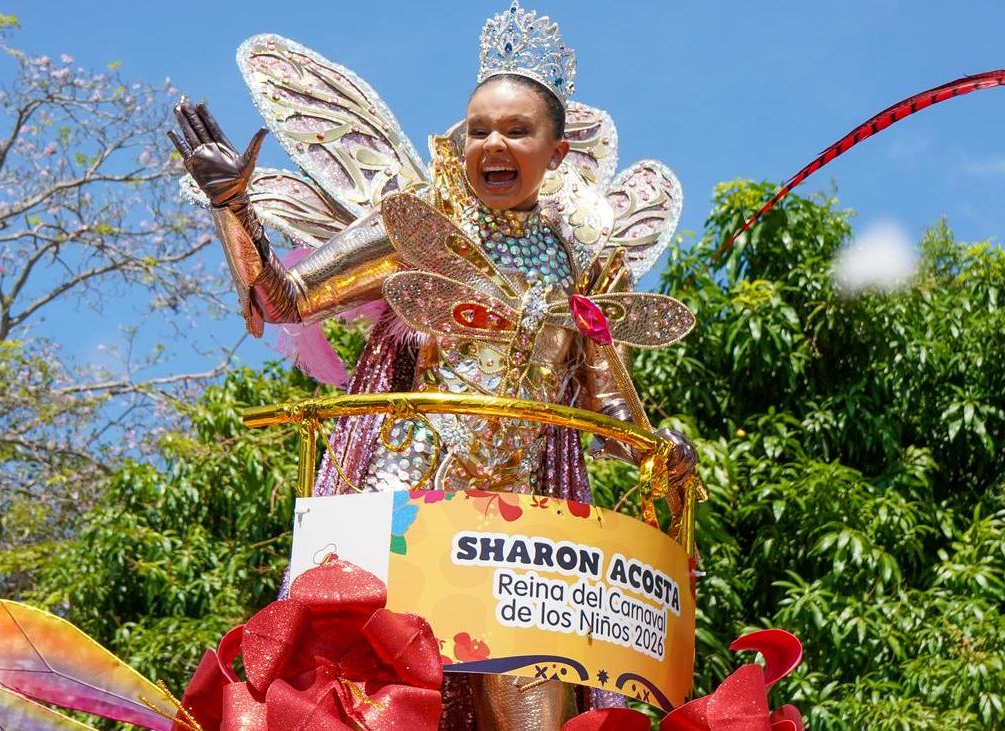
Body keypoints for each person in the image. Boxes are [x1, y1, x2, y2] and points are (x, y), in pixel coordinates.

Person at [169, 3, 695, 727]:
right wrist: (233, 207)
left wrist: (657, 450)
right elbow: (283, 299)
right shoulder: (414, 223)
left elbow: (604, 409)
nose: (493, 143)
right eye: (477, 129)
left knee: (533, 702)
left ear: (556, 150)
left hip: (521, 528)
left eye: (516, 130)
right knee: (378, 696)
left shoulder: (585, 262)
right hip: (402, 504)